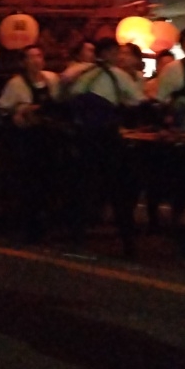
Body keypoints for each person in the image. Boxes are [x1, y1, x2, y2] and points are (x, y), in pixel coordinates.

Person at [64, 37, 148, 256]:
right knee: (118, 188)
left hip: (84, 138)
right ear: (107, 53)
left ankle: (77, 237)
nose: (119, 56)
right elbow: (137, 100)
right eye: (116, 52)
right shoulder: (117, 75)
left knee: (85, 186)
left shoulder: (82, 73)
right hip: (108, 138)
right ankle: (127, 242)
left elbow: (68, 93)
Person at [0, 45, 63, 243]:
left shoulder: (52, 79)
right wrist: (22, 111)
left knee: (49, 182)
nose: (36, 61)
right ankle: (29, 226)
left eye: (39, 56)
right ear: (24, 62)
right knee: (28, 182)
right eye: (31, 57)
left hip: (49, 138)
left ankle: (47, 223)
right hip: (27, 139)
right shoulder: (16, 84)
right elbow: (3, 108)